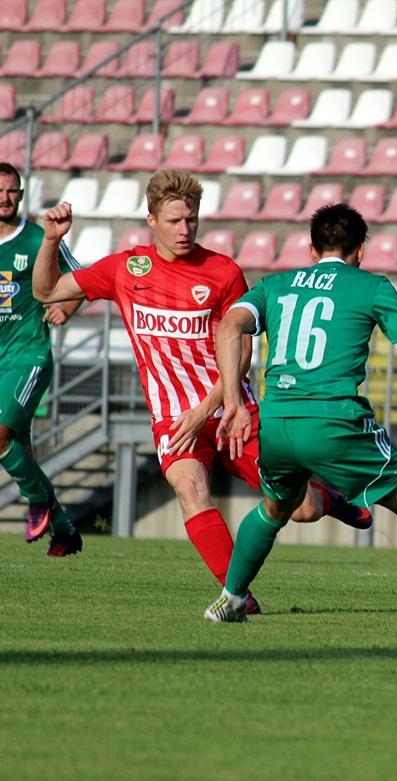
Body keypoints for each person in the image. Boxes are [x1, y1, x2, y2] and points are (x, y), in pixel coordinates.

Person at [32, 170, 370, 610]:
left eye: (191, 219)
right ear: (151, 220)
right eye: (174, 221)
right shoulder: (125, 269)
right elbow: (47, 291)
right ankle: (238, 595)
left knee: (300, 508)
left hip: (231, 408)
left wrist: (208, 408)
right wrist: (51, 241)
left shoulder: (222, 271)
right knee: (190, 488)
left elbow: (242, 351)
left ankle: (330, 500)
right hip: (172, 417)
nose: (185, 229)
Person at [203, 204, 397, 633]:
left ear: (312, 249)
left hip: (277, 420)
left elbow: (229, 327)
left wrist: (235, 404)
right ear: (360, 251)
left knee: (275, 509)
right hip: (334, 421)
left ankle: (232, 598)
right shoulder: (371, 286)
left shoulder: (274, 284)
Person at [0, 163, 84, 556]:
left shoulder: (37, 238)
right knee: (19, 449)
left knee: (0, 435)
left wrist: (67, 307)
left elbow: (81, 278)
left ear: (21, 195)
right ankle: (64, 529)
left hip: (27, 354)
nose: (5, 198)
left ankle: (37, 502)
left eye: (11, 191)